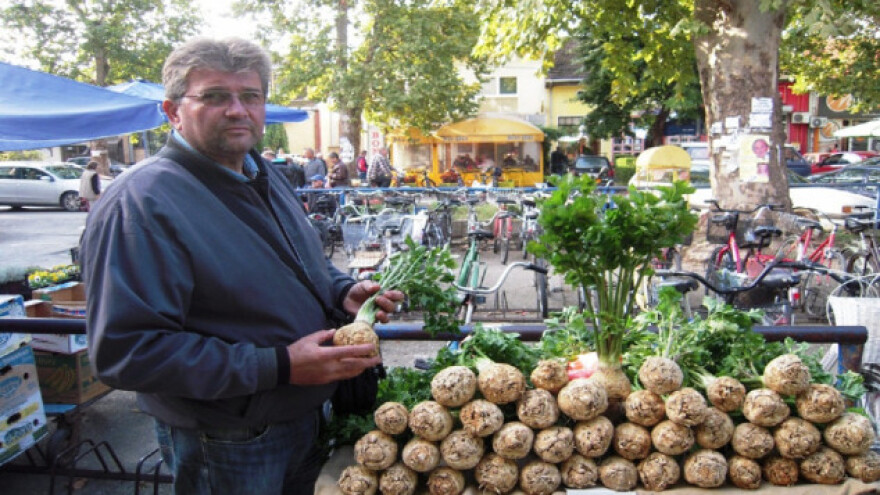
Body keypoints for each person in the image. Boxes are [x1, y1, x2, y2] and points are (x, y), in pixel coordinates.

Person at [79, 37, 403, 495]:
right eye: (214, 96)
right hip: (228, 439)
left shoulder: (259, 172)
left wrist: (340, 291)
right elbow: (126, 352)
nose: (237, 109)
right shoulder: (141, 203)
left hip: (306, 417)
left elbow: (298, 262)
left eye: (250, 96)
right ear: (172, 112)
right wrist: (279, 366)